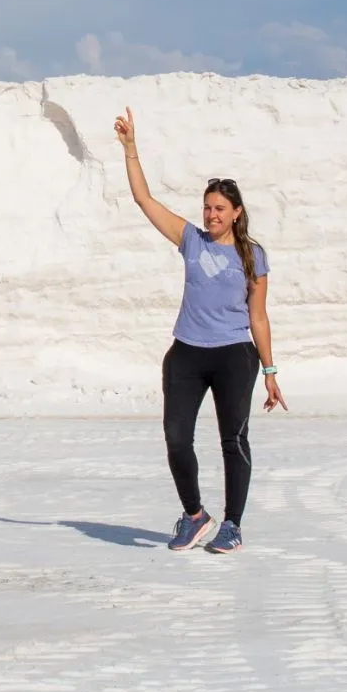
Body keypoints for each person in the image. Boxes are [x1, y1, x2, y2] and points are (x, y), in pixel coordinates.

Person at [114, 108, 284, 553]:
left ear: (236, 213)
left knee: (233, 439)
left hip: (234, 355)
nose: (210, 214)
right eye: (207, 207)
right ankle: (195, 516)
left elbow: (259, 317)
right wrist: (131, 149)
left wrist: (270, 370)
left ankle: (233, 525)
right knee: (176, 436)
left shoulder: (253, 256)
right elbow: (144, 200)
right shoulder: (190, 239)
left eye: (219, 209)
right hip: (187, 353)